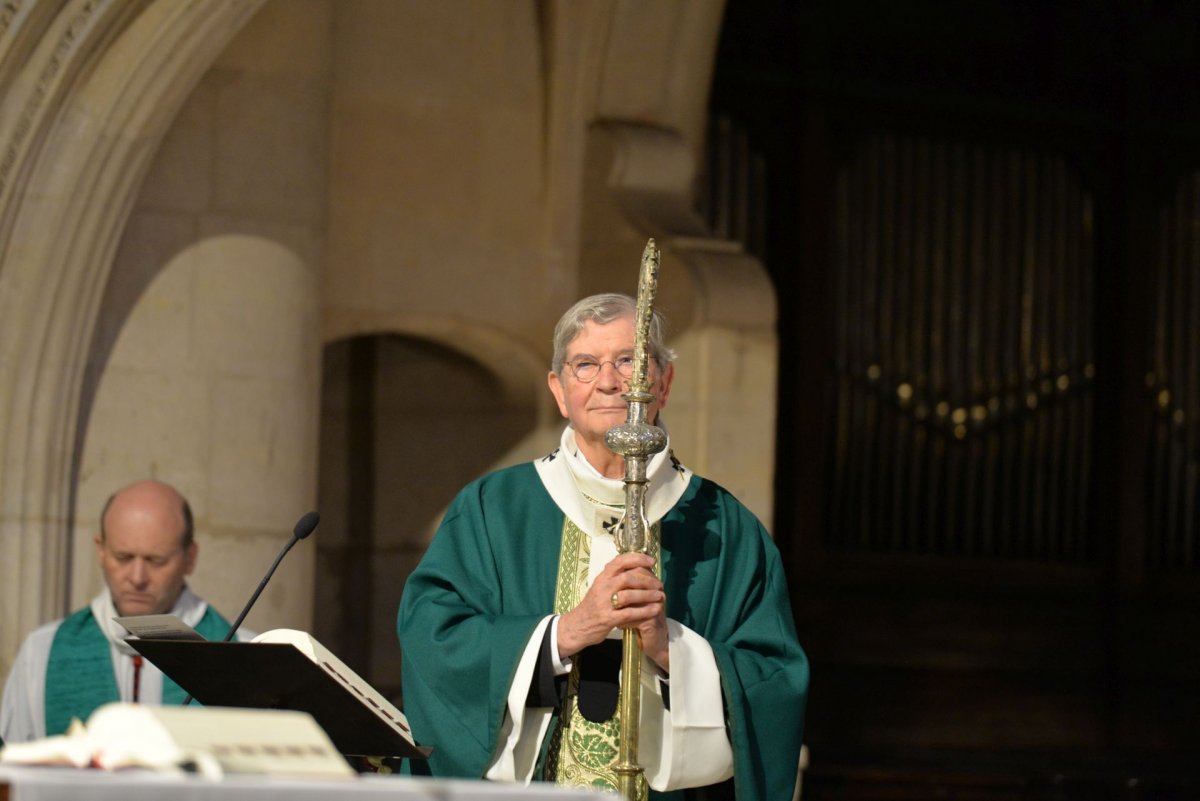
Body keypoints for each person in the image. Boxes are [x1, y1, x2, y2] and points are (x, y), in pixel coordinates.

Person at [397, 293, 808, 800]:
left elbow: (775, 682)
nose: (610, 382)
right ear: (559, 390)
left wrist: (671, 650)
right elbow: (431, 639)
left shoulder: (726, 527)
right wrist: (562, 634)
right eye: (585, 365)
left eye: (629, 361)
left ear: (664, 383)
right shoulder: (493, 508)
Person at [0, 479, 247, 742]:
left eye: (156, 560)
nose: (137, 577)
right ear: (101, 551)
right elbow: (12, 767)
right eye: (123, 557)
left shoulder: (243, 654)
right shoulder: (42, 652)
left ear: (190, 558)